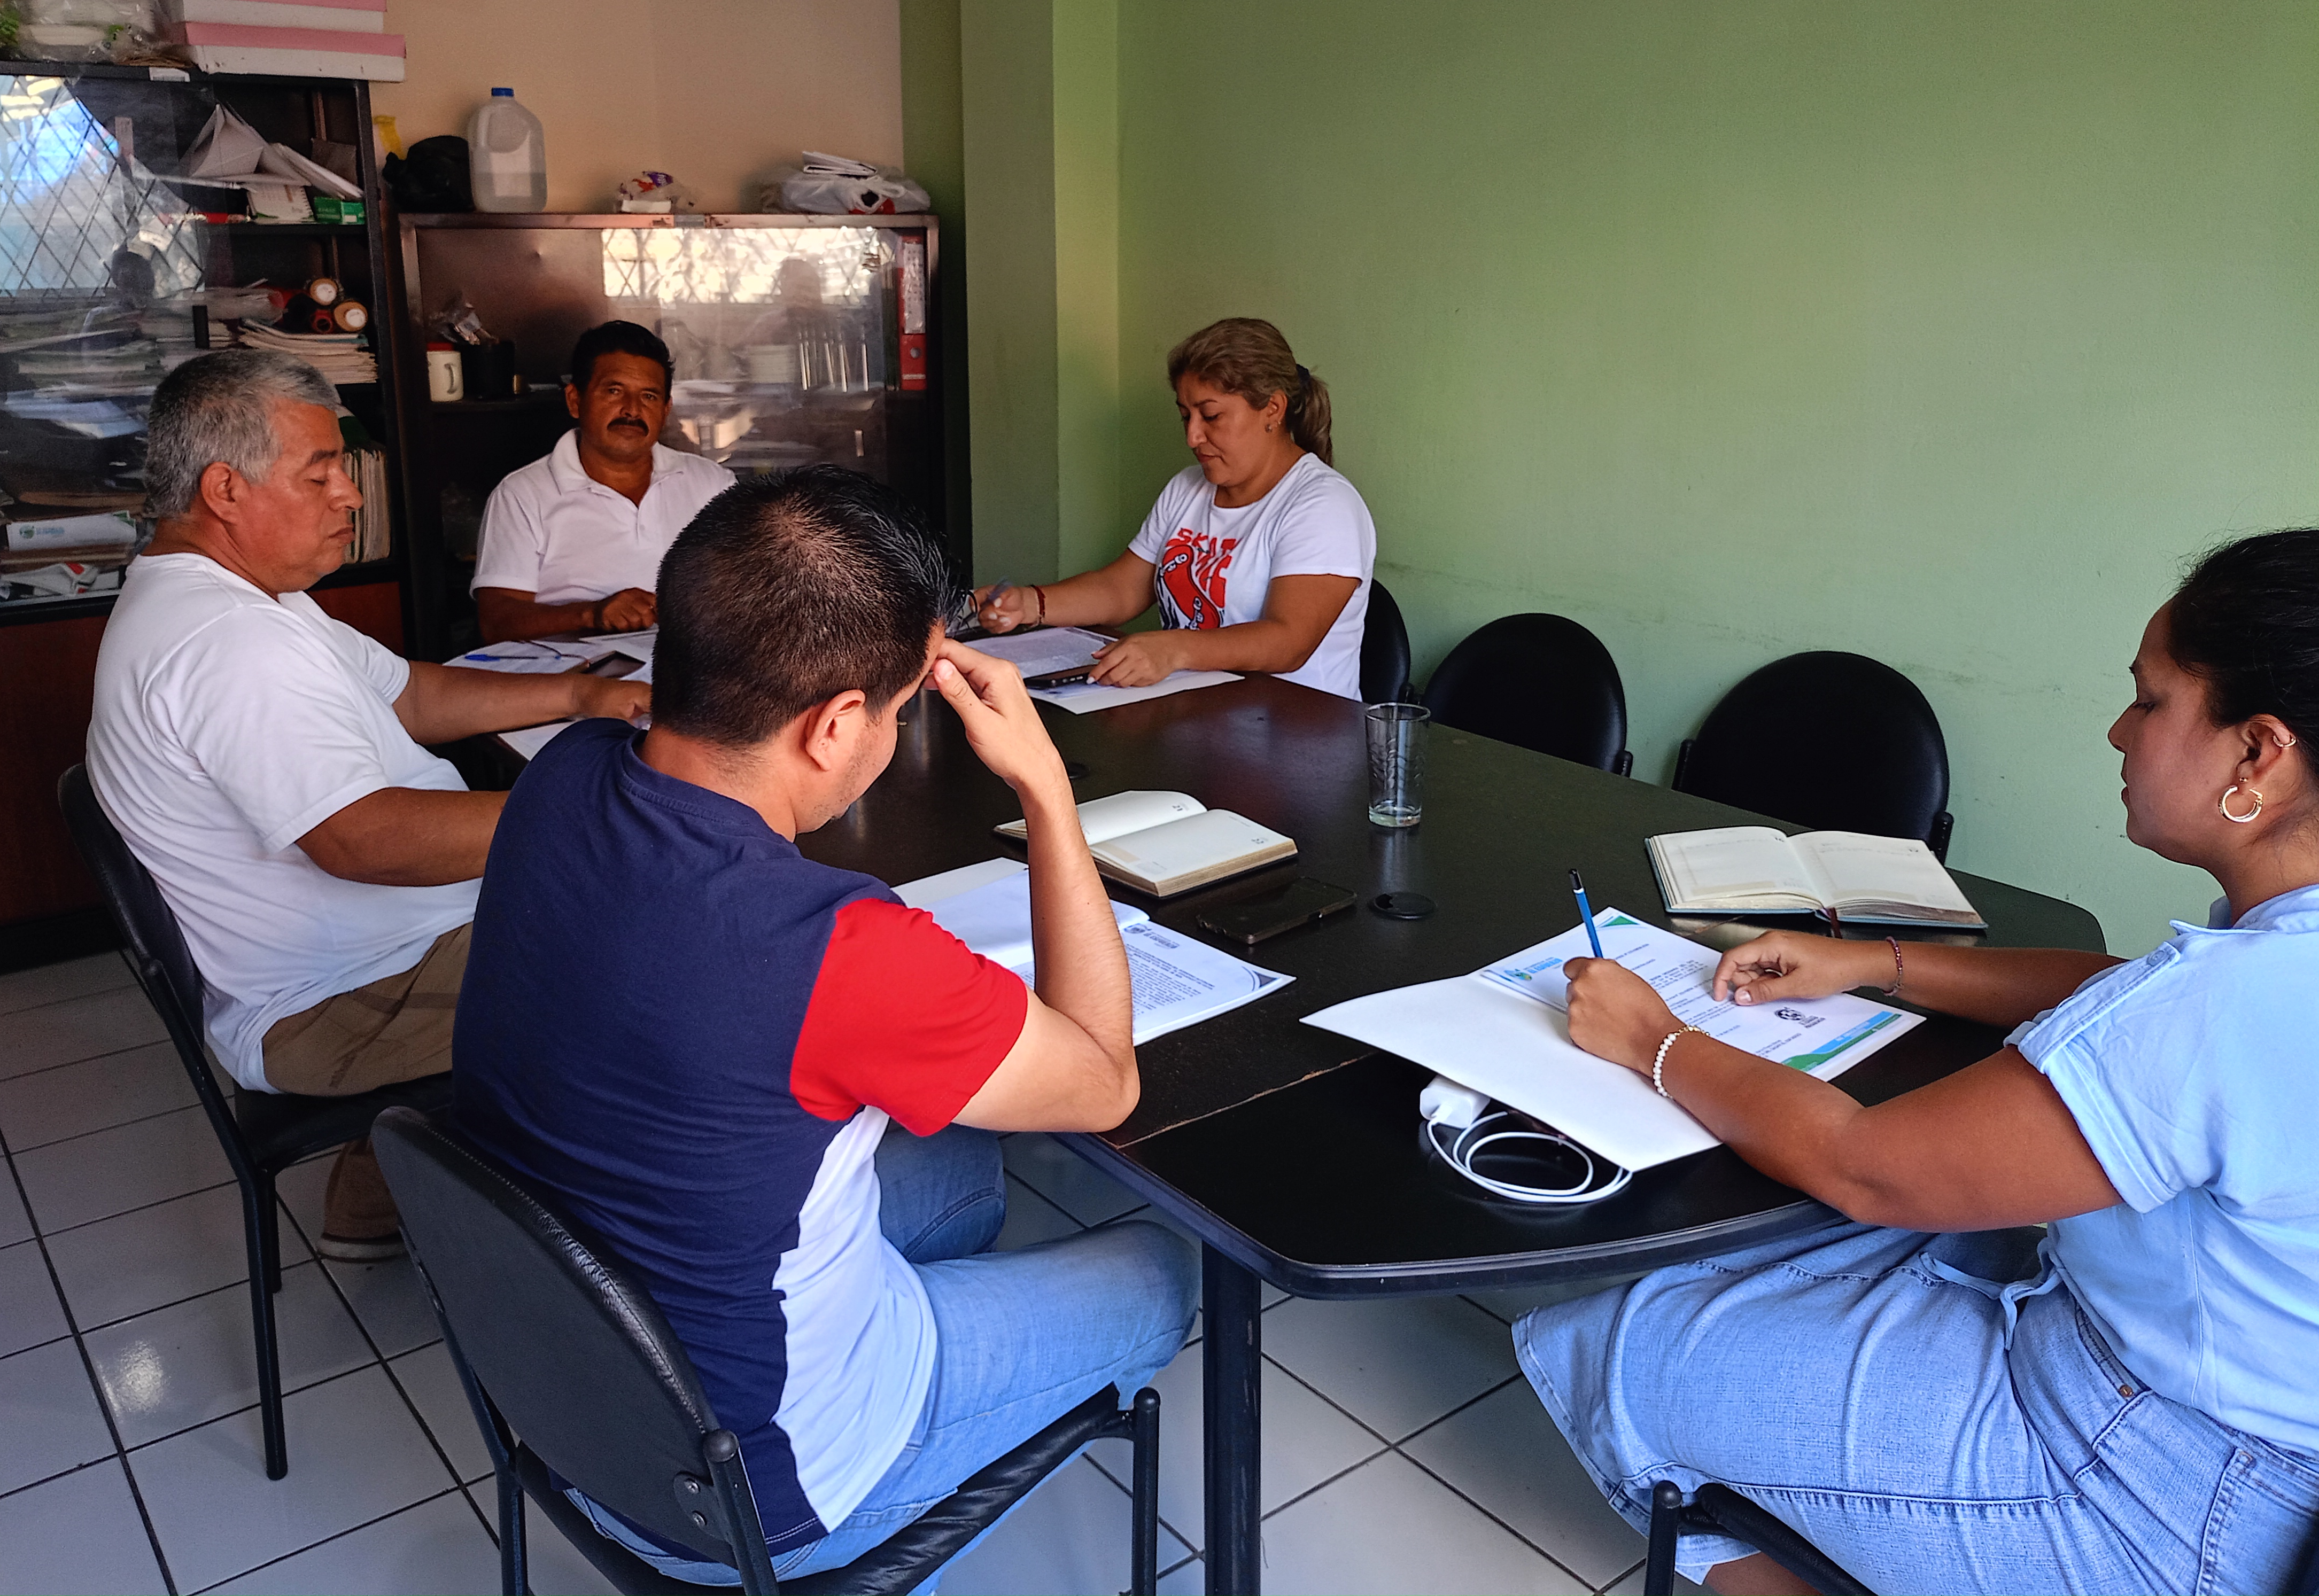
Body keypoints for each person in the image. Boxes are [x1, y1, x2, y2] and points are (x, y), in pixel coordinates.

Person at [1519, 531, 2319, 1595]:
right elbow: (2121, 991)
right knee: (1773, 1255)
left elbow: (1863, 1164)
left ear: (2255, 753)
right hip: (2237, 1439)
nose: (2117, 730)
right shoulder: (2276, 955)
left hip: (2166, 1492)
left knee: (1619, 1347)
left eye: (2149, 700)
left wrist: (1653, 1041)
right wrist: (1873, 961)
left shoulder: (2232, 1000)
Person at [452, 464, 1197, 1585]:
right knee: (1164, 1270)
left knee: (966, 1170)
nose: (892, 734)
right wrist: (1046, 791)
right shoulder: (839, 948)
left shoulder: (563, 776)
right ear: (837, 722)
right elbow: (1102, 1082)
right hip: (751, 1484)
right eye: (896, 711)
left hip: (568, 1389)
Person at [88, 352, 647, 1259]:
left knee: (630, 895)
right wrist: (603, 812)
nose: (349, 494)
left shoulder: (249, 599)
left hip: (382, 948)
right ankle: (595, 1262)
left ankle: (386, 1185)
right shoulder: (228, 642)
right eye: (320, 475)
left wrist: (582, 695)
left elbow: (410, 694)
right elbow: (367, 841)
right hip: (347, 997)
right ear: (225, 490)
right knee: (669, 946)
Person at [974, 317, 1377, 700]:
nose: (1193, 436)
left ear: (1273, 408)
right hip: (1201, 716)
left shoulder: (1324, 505)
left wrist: (1173, 649)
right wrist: (1031, 603)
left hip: (1297, 731)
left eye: (1211, 416)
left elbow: (1288, 642)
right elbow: (1123, 589)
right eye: (1186, 416)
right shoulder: (1187, 487)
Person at [472, 320, 733, 641]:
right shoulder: (522, 495)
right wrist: (592, 614)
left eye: (649, 396)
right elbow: (496, 623)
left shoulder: (712, 485)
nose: (632, 410)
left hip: (692, 665)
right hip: (575, 670)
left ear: (666, 411)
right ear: (575, 401)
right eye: (614, 391)